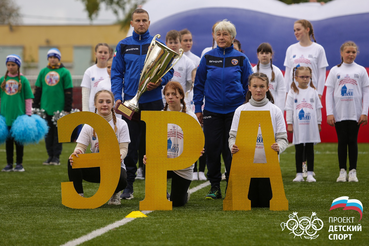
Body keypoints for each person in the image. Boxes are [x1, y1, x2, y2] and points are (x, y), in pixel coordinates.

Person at [111, 8, 174, 200]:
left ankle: (157, 185)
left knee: (153, 146)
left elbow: (170, 70)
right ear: (131, 23)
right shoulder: (123, 46)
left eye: (144, 20)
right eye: (137, 20)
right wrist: (117, 96)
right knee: (129, 146)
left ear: (149, 22)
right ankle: (128, 187)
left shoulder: (158, 45)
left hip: (153, 102)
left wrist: (161, 81)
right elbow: (116, 73)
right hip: (129, 103)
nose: (141, 23)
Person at [194, 19, 253, 199]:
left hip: (235, 112)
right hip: (211, 111)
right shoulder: (208, 57)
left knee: (232, 149)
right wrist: (198, 107)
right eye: (218, 34)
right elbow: (199, 84)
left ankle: (232, 186)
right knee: (212, 148)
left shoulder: (241, 59)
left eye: (225, 34)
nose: (221, 37)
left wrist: (244, 107)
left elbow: (248, 85)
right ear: (214, 36)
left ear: (232, 37)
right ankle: (214, 187)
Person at [229, 73, 287, 207]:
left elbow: (283, 138)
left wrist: (279, 147)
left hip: (268, 167)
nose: (258, 90)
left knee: (266, 202)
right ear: (249, 87)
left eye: (262, 86)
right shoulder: (240, 110)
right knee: (250, 202)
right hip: (246, 167)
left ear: (267, 88)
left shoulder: (275, 111)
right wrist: (232, 146)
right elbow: (232, 137)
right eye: (255, 86)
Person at [68, 90, 129, 205]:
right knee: (72, 160)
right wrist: (77, 152)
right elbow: (80, 147)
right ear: (95, 105)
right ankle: (79, 195)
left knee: (122, 180)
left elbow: (124, 148)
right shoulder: (88, 125)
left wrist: (120, 156)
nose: (104, 104)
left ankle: (115, 193)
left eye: (108, 101)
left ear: (112, 104)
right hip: (95, 167)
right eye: (101, 102)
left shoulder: (122, 124)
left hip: (114, 167)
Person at [143, 81, 199, 206]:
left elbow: (197, 140)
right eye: (167, 94)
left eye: (173, 94)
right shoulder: (160, 116)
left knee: (177, 203)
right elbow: (154, 141)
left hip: (183, 164)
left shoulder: (190, 116)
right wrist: (148, 155)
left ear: (181, 96)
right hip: (164, 161)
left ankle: (184, 193)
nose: (170, 97)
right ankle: (163, 192)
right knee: (149, 164)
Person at [325, 41, 369, 182]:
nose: (350, 54)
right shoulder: (335, 70)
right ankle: (342, 171)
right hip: (339, 113)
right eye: (348, 52)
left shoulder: (361, 70)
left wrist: (365, 112)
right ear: (342, 53)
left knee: (353, 141)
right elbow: (329, 93)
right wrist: (329, 112)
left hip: (355, 112)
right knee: (342, 141)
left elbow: (366, 91)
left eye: (353, 52)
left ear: (356, 53)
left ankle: (353, 172)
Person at [33, 48, 73, 166]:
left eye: (55, 57)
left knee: (58, 134)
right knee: (48, 133)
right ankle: (50, 155)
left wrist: (67, 108)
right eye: (50, 57)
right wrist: (36, 105)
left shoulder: (64, 72)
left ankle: (56, 156)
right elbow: (38, 90)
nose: (52, 59)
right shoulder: (43, 72)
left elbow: (68, 91)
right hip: (45, 108)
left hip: (59, 110)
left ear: (59, 59)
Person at [285, 66, 322, 182]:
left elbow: (318, 108)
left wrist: (319, 122)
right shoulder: (292, 92)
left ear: (310, 77)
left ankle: (310, 173)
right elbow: (289, 109)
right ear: (296, 78)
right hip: (298, 126)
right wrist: (289, 123)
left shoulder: (313, 92)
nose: (305, 79)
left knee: (310, 149)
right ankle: (299, 174)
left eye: (307, 77)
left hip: (311, 126)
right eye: (302, 77)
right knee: (299, 149)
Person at [179, 28, 206, 181]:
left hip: (194, 100)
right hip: (181, 101)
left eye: (190, 40)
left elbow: (198, 81)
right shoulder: (175, 58)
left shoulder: (196, 59)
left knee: (199, 135)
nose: (188, 43)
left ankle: (200, 169)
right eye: (185, 40)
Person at [0, 55, 34, 172]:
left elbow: (28, 98)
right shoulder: (2, 80)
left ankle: (19, 163)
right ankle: (9, 163)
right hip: (5, 116)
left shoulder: (23, 80)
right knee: (8, 142)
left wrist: (28, 113)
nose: (10, 67)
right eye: (8, 65)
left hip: (19, 116)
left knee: (19, 141)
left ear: (18, 66)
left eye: (13, 65)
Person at [284, 19, 328, 98]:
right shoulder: (291, 49)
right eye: (294, 30)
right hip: (294, 94)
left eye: (298, 30)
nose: (295, 33)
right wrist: (286, 93)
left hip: (311, 94)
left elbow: (322, 74)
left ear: (307, 29)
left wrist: (319, 93)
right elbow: (287, 74)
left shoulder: (318, 49)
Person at [165, 30, 196, 109]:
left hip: (181, 103)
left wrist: (184, 97)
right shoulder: (162, 60)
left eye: (176, 42)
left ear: (180, 44)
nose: (173, 45)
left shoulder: (188, 62)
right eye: (170, 42)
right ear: (166, 43)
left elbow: (191, 84)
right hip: (164, 101)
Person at [253, 43, 285, 112]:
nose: (264, 55)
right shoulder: (252, 71)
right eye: (262, 53)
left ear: (271, 55)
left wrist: (280, 112)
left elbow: (281, 93)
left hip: (273, 111)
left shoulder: (277, 72)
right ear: (258, 55)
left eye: (267, 53)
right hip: (256, 110)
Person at [81, 43, 110, 112]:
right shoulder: (89, 71)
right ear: (95, 54)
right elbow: (85, 93)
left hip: (108, 108)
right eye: (100, 52)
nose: (103, 54)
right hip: (93, 108)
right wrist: (85, 110)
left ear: (109, 54)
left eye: (105, 52)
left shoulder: (113, 71)